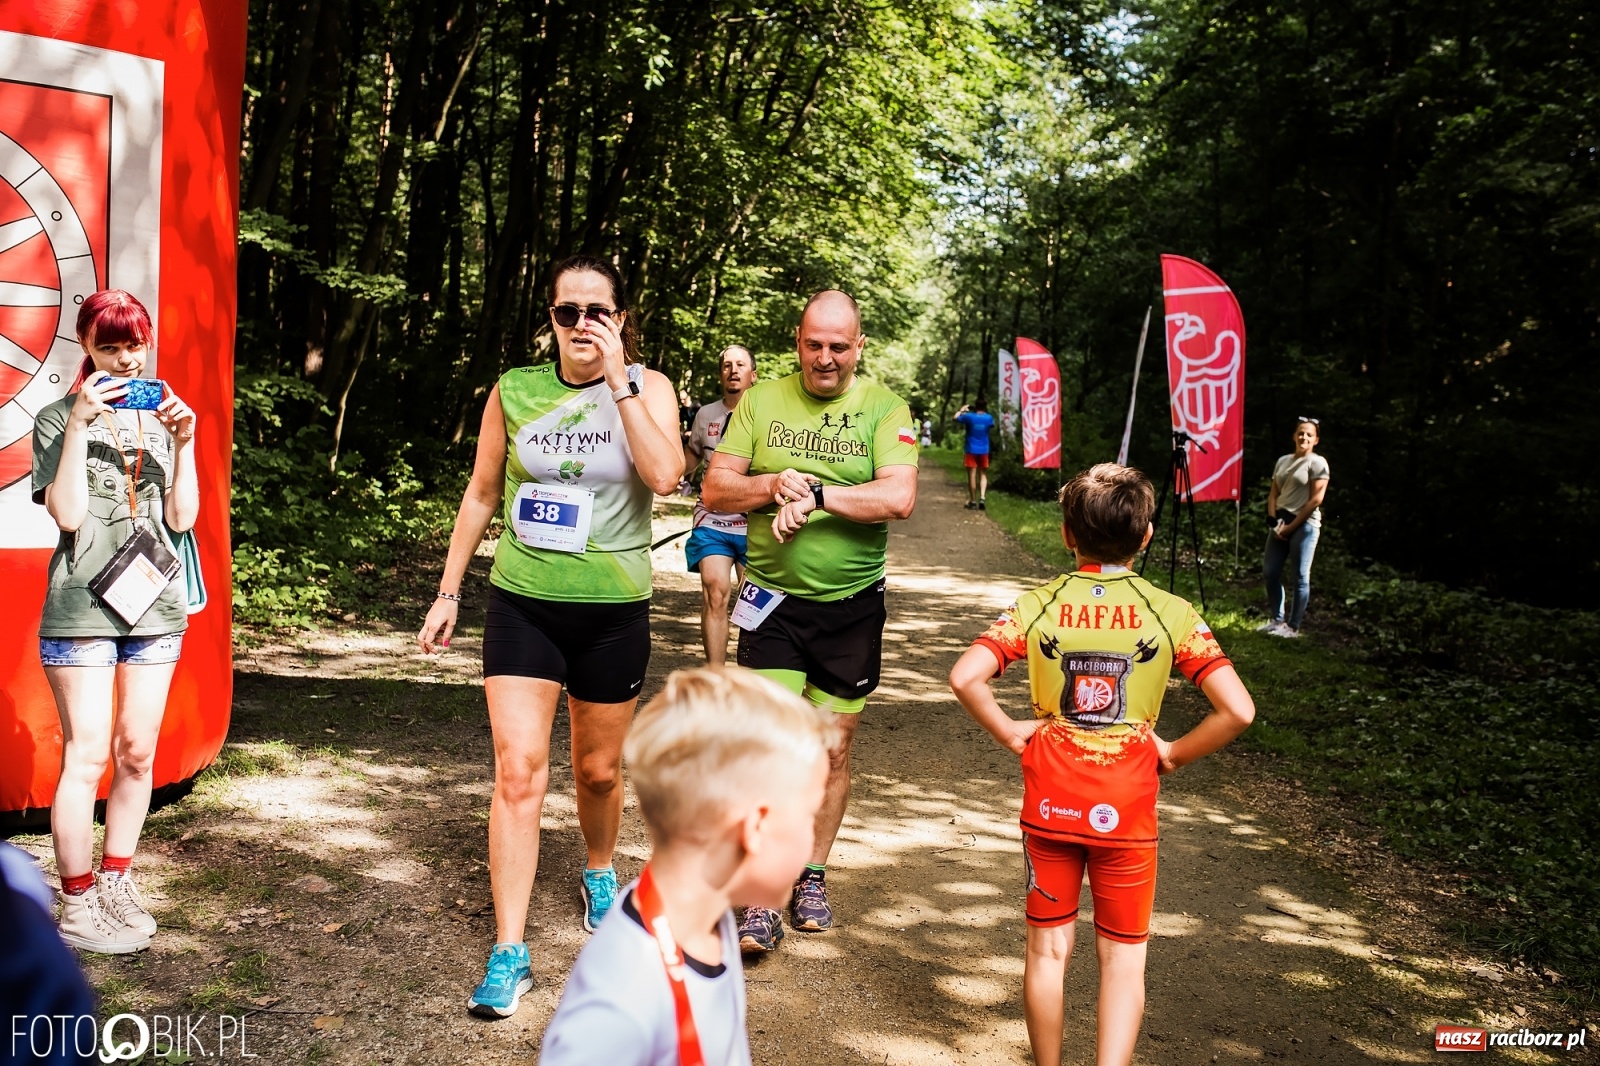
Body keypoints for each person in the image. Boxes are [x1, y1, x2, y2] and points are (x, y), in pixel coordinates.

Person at [418, 254, 683, 1018]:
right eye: (567, 312)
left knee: (598, 773)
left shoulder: (651, 388)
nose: (581, 325)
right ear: (551, 319)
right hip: (523, 602)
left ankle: (600, 868)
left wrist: (621, 380)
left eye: (597, 311)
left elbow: (666, 477)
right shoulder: (515, 389)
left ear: (621, 318)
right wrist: (448, 592)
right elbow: (480, 493)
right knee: (518, 773)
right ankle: (510, 950)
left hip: (613, 610)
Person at [949, 463, 1255, 1066]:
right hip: (1130, 809)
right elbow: (1238, 711)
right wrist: (1171, 752)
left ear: (1067, 535)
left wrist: (1014, 734)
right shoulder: (1171, 612)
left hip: (1050, 801)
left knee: (1046, 954)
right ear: (1144, 538)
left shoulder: (1038, 606)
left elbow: (965, 677)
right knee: (1122, 958)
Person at [701, 289, 918, 953]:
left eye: (838, 346)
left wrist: (818, 494)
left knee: (831, 750)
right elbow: (714, 489)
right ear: (797, 342)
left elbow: (898, 496)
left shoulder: (885, 406)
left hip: (851, 607)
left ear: (859, 348)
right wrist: (774, 486)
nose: (825, 358)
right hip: (773, 601)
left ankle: (812, 875)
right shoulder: (762, 401)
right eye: (813, 345)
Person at [539, 667, 834, 1066]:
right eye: (807, 816)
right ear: (754, 827)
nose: (810, 841)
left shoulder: (707, 912)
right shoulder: (619, 1006)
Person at [30, 289, 199, 954]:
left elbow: (181, 521)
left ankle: (117, 882)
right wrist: (78, 424)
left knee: (137, 752)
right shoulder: (54, 417)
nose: (126, 359)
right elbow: (69, 516)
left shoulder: (164, 417)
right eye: (110, 345)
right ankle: (76, 901)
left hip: (154, 608)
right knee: (88, 755)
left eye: (135, 344)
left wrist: (186, 442)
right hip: (80, 609)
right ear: (87, 347)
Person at [683, 346, 757, 665]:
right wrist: (670, 472)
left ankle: (756, 673)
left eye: (740, 364)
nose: (733, 370)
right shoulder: (706, 415)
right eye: (726, 365)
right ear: (720, 375)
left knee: (754, 602)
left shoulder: (767, 413)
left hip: (755, 522)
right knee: (715, 591)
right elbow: (692, 455)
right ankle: (716, 677)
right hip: (711, 518)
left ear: (753, 374)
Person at [1262, 418, 1329, 638]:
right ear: (1294, 435)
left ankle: (1293, 626)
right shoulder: (1282, 461)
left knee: (1300, 576)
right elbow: (1274, 494)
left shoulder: (1318, 463)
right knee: (1270, 572)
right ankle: (1277, 620)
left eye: (1309, 435)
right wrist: (1275, 522)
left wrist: (1290, 528)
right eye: (1301, 433)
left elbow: (1315, 500)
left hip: (1304, 524)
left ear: (1316, 440)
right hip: (1280, 522)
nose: (1304, 438)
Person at [954, 399, 996, 509]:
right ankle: (982, 497)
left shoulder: (969, 417)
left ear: (975, 406)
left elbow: (955, 418)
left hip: (971, 449)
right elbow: (991, 426)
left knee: (972, 476)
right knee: (983, 474)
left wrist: (962, 410)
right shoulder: (988, 418)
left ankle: (973, 501)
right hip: (984, 450)